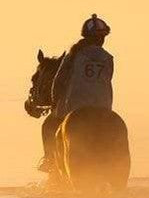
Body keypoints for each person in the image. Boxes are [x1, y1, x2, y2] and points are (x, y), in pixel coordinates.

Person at [39, 14, 115, 171]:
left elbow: (59, 81)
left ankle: (49, 161)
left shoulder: (73, 55)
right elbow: (107, 80)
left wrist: (55, 102)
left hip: (75, 107)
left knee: (48, 125)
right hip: (104, 107)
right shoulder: (108, 58)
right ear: (102, 38)